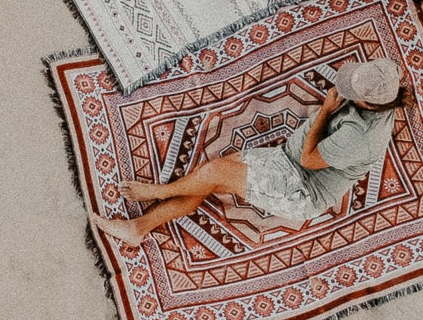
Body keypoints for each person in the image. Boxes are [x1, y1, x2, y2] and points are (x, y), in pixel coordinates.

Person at [90, 59, 404, 246]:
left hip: (301, 188)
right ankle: (138, 229)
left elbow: (310, 160)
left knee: (211, 174)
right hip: (284, 158)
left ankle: (157, 193)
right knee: (207, 178)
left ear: (369, 104)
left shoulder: (361, 138)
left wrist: (324, 111)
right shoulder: (387, 79)